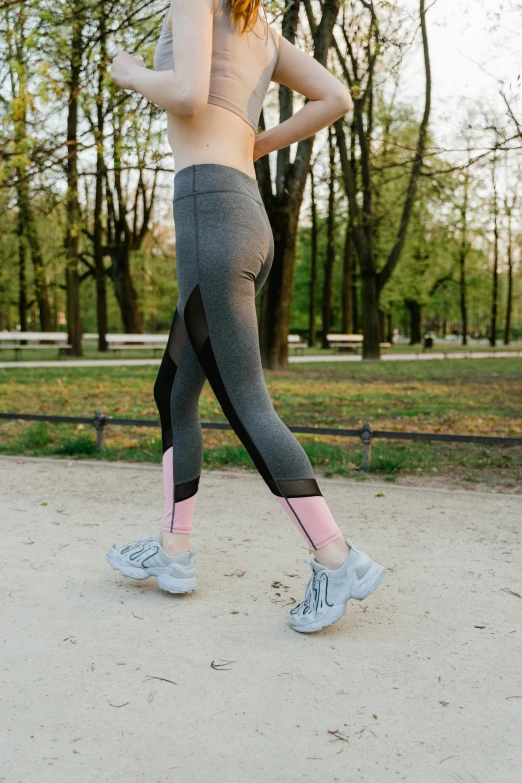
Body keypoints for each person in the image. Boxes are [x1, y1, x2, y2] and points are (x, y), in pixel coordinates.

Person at [106, 0, 386, 633]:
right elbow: (335, 98)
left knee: (247, 405)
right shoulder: (260, 27)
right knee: (173, 392)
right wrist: (252, 145)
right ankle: (173, 551)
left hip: (210, 217)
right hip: (242, 215)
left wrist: (128, 73)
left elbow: (183, 93)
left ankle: (337, 558)